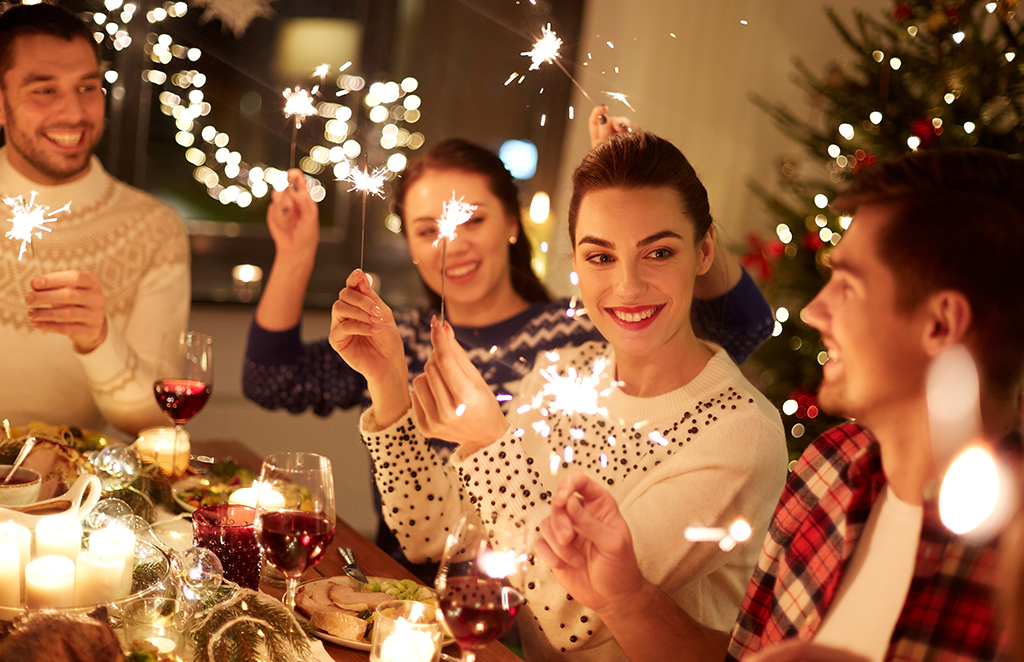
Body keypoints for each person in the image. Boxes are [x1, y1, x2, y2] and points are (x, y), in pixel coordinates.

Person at [534, 148, 1024, 662]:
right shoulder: (826, 470)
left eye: (849, 286)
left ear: (940, 325)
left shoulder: (1006, 567)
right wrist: (625, 596)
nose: (815, 310)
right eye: (599, 255)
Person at [340, 131, 789, 661]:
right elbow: (433, 535)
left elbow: (577, 617)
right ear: (575, 262)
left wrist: (489, 442)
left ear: (704, 250)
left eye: (659, 252)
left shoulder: (737, 433)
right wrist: (389, 383)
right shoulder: (564, 373)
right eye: (601, 257)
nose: (628, 286)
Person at [242, 129, 775, 571]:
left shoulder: (577, 333)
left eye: (472, 219)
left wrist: (635, 201)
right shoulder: (393, 336)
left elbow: (740, 326)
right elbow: (271, 381)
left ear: (512, 224)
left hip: (527, 595)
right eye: (428, 230)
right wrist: (293, 256)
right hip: (410, 576)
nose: (453, 243)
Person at [0, 4, 189, 435]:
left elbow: (156, 420)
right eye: (44, 90)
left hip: (73, 491)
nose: (75, 113)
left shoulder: (152, 229)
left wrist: (99, 340)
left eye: (88, 87)